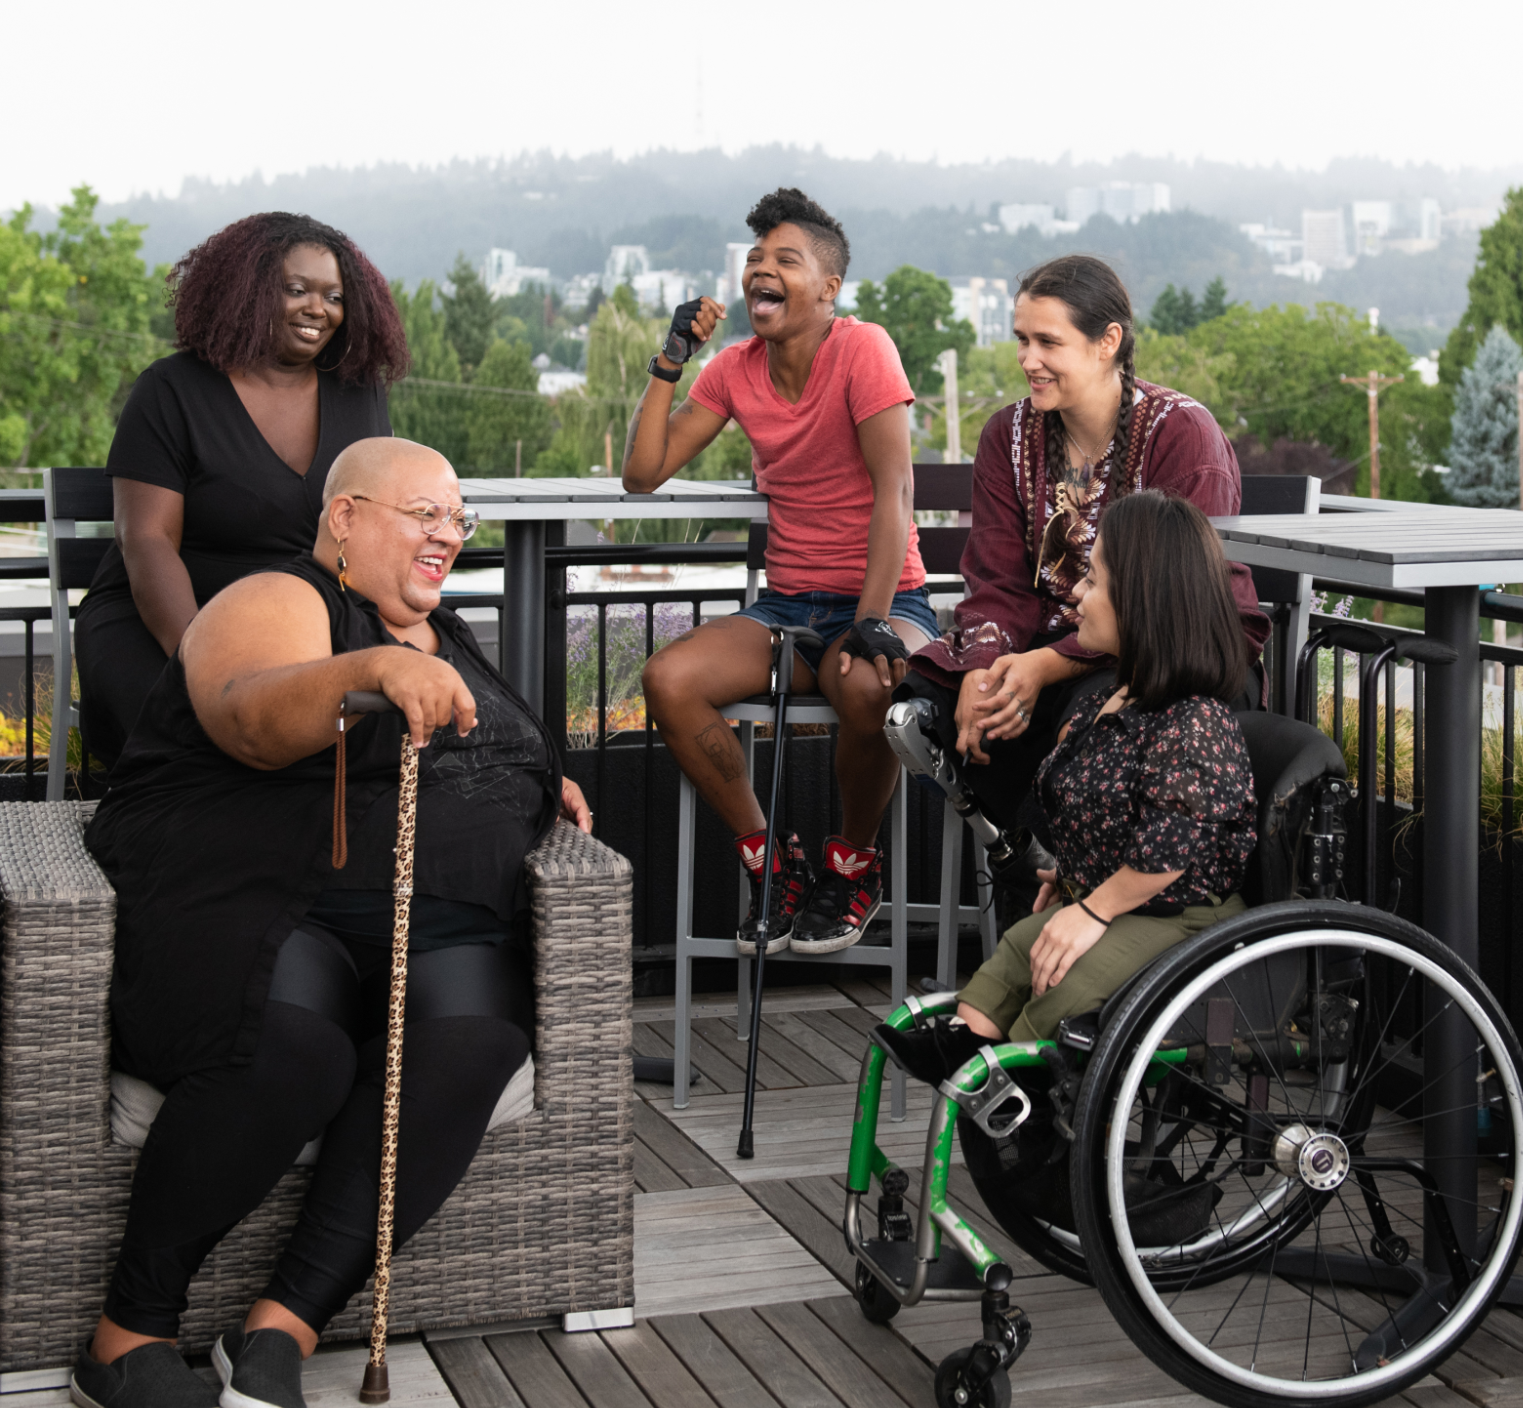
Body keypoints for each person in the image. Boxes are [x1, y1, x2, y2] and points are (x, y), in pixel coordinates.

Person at [73, 439, 591, 1409]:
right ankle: (123, 1333)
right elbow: (246, 716)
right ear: (344, 516)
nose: (449, 534)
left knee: (480, 1040)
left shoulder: (448, 631)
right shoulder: (286, 596)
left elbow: (487, 745)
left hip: (442, 926)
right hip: (278, 897)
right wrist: (371, 667)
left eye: (458, 518)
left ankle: (280, 1326)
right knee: (294, 1049)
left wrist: (536, 779)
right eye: (423, 513)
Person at [623, 188, 932, 956]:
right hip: (789, 608)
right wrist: (670, 359)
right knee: (669, 680)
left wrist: (871, 616)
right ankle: (771, 862)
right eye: (755, 260)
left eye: (784, 260)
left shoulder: (863, 349)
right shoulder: (734, 368)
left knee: (864, 680)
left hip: (886, 599)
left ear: (828, 289)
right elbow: (642, 472)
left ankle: (853, 864)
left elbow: (894, 492)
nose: (762, 269)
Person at [877, 492, 1257, 1080]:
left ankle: (1018, 1096)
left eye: (1095, 581)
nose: (1076, 593)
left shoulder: (1194, 720)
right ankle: (964, 1045)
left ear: (1144, 602)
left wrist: (1094, 910)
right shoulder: (1109, 699)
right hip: (1117, 894)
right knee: (1012, 959)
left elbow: (1171, 849)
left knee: (1061, 984)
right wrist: (1078, 874)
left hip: (1182, 913)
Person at [902, 255, 1268, 844]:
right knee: (928, 703)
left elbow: (1185, 605)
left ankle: (1055, 874)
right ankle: (1020, 856)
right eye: (1021, 340)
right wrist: (981, 671)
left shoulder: (1181, 433)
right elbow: (997, 581)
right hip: (1040, 647)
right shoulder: (1007, 435)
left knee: (1096, 720)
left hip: (1166, 657)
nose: (1028, 360)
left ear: (1108, 342)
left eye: (1048, 341)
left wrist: (1042, 668)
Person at [75, 212, 407, 766]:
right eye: (296, 289)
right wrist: (202, 662)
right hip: (166, 619)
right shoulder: (172, 390)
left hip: (301, 623)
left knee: (368, 736)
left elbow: (375, 528)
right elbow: (147, 541)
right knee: (199, 743)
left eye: (334, 296)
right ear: (248, 292)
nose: (317, 309)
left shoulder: (360, 395)